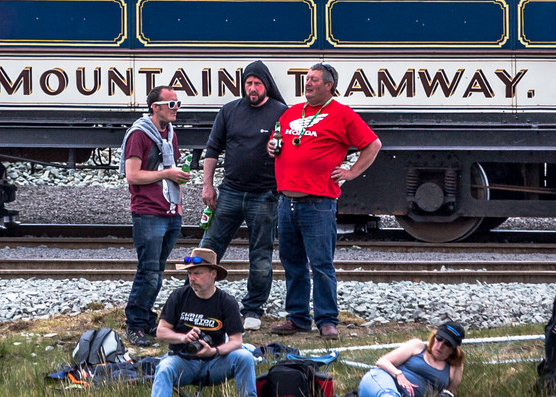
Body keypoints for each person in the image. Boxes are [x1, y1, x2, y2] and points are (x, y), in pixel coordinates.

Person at [273, 63, 380, 338]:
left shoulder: (342, 114)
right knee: (292, 263)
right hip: (287, 202)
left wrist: (352, 172)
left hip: (317, 203)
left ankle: (326, 320)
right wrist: (272, 146)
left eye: (314, 80)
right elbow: (278, 141)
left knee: (320, 264)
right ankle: (297, 317)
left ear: (328, 85)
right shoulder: (292, 113)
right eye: (306, 79)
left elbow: (373, 144)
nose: (307, 83)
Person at [199, 62, 289, 330]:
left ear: (266, 86)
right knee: (208, 248)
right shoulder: (229, 111)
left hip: (264, 195)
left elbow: (291, 150)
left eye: (257, 84)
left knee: (260, 255)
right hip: (229, 192)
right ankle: (195, 299)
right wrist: (207, 186)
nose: (252, 88)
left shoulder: (281, 112)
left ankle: (253, 309)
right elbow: (212, 149)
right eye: (248, 83)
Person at [141, 249, 264, 397]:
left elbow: (236, 341)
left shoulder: (226, 301)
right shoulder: (179, 296)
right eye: (189, 273)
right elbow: (161, 332)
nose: (192, 278)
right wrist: (183, 337)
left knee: (244, 357)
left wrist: (214, 351)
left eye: (197, 273)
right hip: (183, 361)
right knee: (165, 367)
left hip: (215, 363)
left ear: (213, 274)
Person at [124, 86, 189, 346]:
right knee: (149, 272)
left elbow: (173, 171)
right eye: (171, 104)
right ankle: (135, 324)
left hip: (169, 211)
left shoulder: (170, 134)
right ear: (156, 107)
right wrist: (167, 175)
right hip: (148, 213)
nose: (176, 109)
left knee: (157, 271)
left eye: (178, 104)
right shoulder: (139, 134)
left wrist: (179, 205)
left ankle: (145, 318)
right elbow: (133, 174)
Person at [356, 322, 466, 397]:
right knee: (390, 394)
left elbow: (451, 395)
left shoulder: (454, 366)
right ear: (434, 337)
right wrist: (399, 375)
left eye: (447, 344)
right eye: (439, 338)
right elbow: (382, 362)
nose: (440, 345)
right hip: (379, 379)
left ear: (454, 349)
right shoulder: (417, 346)